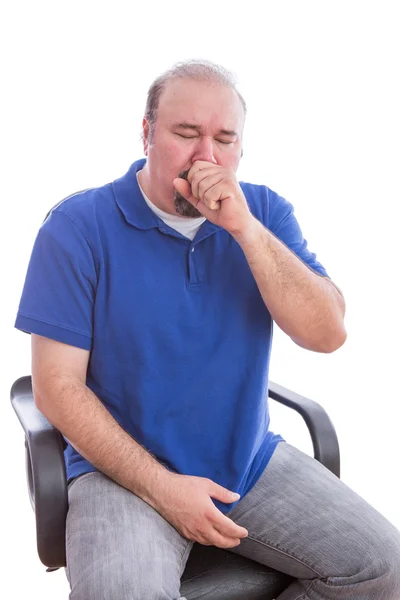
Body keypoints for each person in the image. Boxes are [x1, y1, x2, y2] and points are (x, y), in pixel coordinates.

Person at [15, 59, 400, 599]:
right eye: (186, 133)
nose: (206, 157)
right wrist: (165, 489)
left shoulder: (263, 213)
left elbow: (327, 334)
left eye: (224, 139)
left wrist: (244, 230)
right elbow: (56, 388)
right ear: (147, 133)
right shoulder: (78, 228)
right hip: (121, 472)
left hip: (245, 462)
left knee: (382, 567)